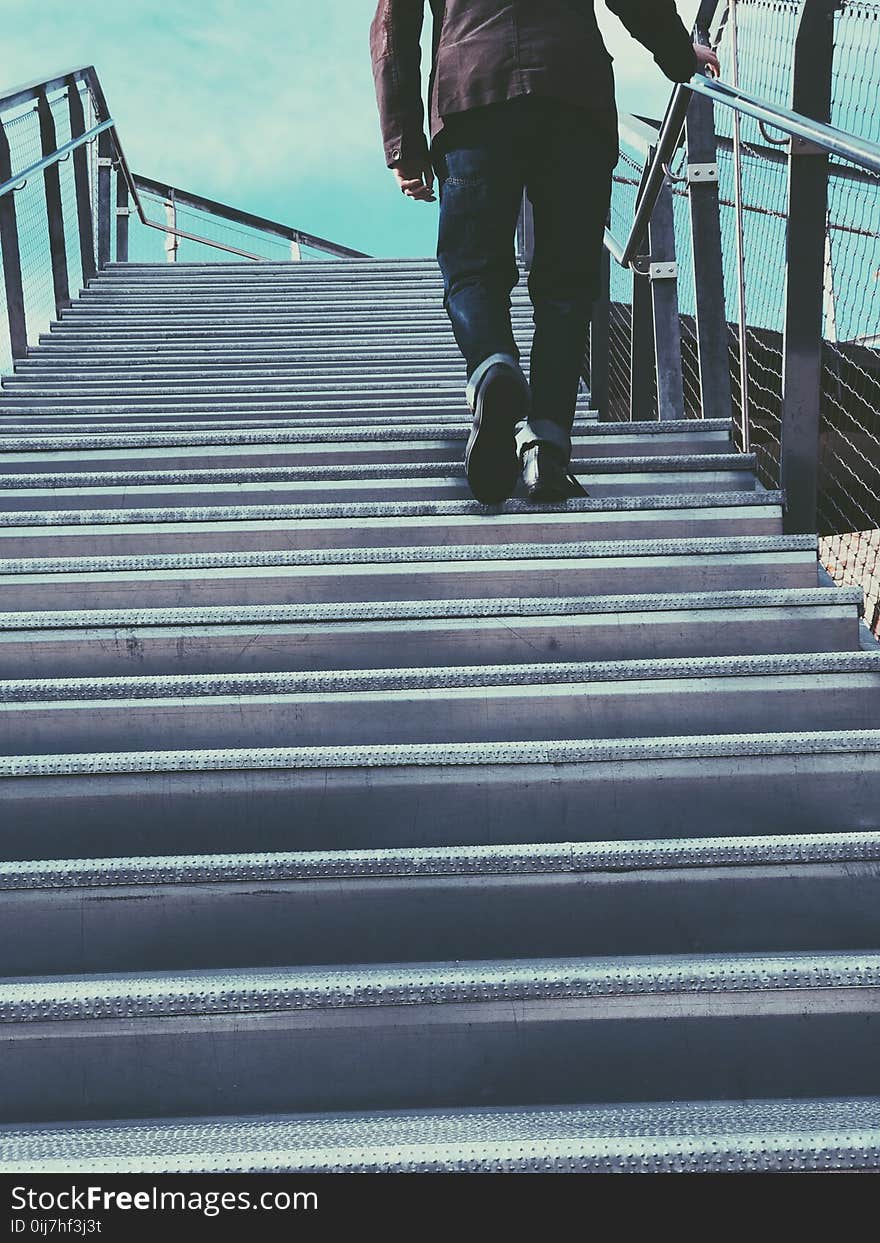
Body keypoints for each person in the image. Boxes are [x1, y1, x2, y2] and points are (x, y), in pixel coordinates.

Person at [370, 1, 719, 503]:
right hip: (573, 93)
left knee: (473, 271)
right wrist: (679, 55)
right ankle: (546, 448)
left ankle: (492, 367)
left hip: (473, 97)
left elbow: (392, 26)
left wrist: (403, 142)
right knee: (566, 287)